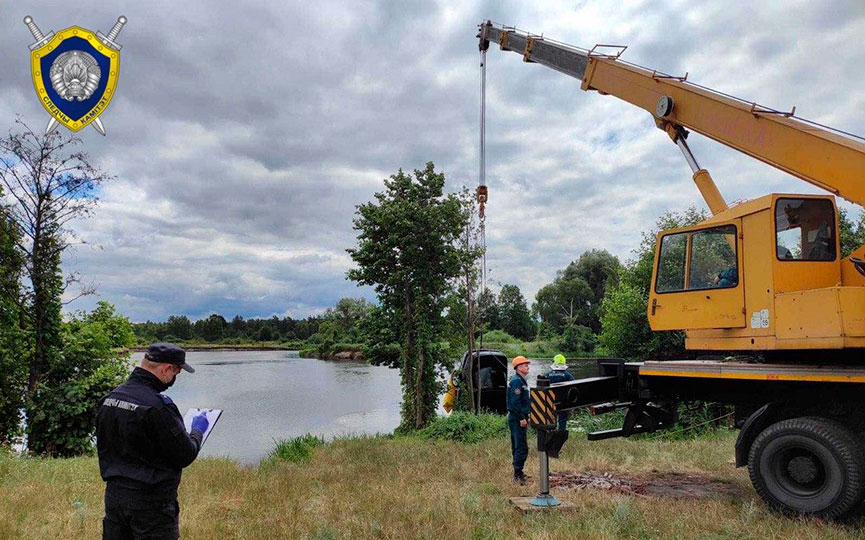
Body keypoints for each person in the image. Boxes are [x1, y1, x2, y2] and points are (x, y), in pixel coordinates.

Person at [96, 342, 210, 540]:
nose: (174, 379)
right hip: (151, 503)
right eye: (175, 374)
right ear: (166, 369)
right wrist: (198, 431)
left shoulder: (109, 399)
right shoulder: (158, 407)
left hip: (115, 497)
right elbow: (185, 454)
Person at [507, 355, 531, 484]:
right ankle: (517, 474)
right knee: (520, 446)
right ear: (519, 367)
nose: (528, 367)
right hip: (517, 418)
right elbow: (515, 402)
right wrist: (522, 418)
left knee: (519, 446)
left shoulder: (521, 380)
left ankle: (519, 472)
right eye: (525, 364)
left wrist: (528, 416)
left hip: (520, 417)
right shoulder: (517, 381)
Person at [545, 354, 575, 430]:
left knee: (551, 419)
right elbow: (574, 386)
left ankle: (550, 433)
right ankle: (561, 434)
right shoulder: (567, 375)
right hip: (563, 401)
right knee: (562, 420)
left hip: (550, 400)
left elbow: (543, 386)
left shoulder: (548, 374)